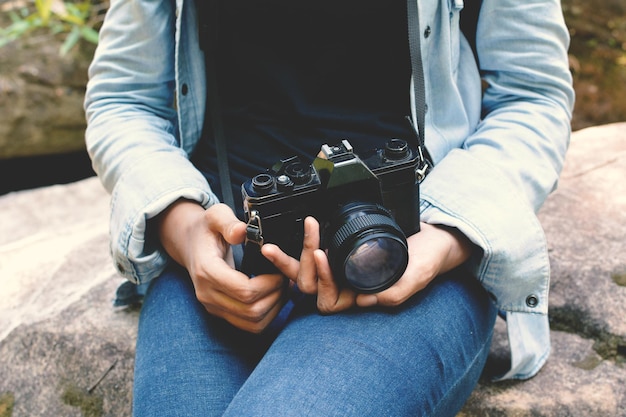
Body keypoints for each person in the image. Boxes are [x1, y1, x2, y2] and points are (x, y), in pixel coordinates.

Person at [84, 0, 574, 415]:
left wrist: (445, 240)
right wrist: (186, 228)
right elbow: (123, 100)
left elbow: (532, 96)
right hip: (225, 254)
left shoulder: (428, 248)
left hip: (406, 251)